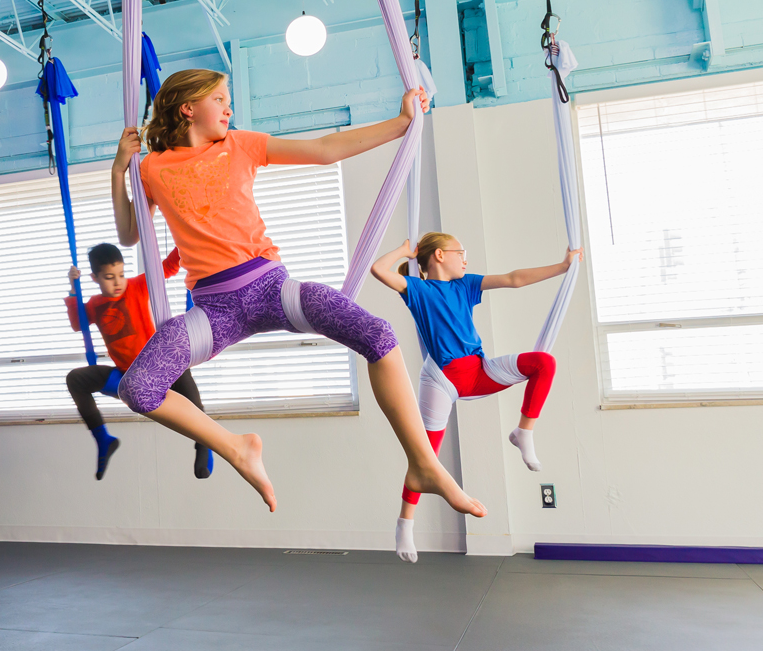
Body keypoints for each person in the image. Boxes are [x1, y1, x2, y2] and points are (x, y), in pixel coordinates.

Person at [110, 68, 487, 519]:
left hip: (271, 288)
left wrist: (402, 123)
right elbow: (131, 234)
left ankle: (424, 463)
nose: (230, 107)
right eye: (220, 98)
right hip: (214, 309)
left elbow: (324, 150)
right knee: (137, 387)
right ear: (188, 107)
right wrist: (119, 171)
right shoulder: (152, 168)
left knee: (379, 335)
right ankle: (235, 447)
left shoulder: (240, 145)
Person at [370, 232, 582, 563]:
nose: (465, 258)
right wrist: (403, 251)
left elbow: (514, 279)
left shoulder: (466, 285)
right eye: (460, 252)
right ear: (440, 255)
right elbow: (379, 270)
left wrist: (563, 266)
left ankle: (523, 432)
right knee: (426, 458)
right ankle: (404, 524)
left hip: (479, 371)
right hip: (441, 380)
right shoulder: (419, 290)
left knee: (544, 363)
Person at [64, 243, 212, 481]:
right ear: (95, 278)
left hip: (158, 368)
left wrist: (184, 242)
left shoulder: (137, 286)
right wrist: (73, 289)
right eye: (109, 277)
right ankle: (103, 439)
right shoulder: (94, 305)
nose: (117, 282)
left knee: (181, 365)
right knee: (75, 379)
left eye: (121, 274)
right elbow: (77, 323)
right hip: (127, 378)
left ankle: (204, 443)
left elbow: (168, 267)